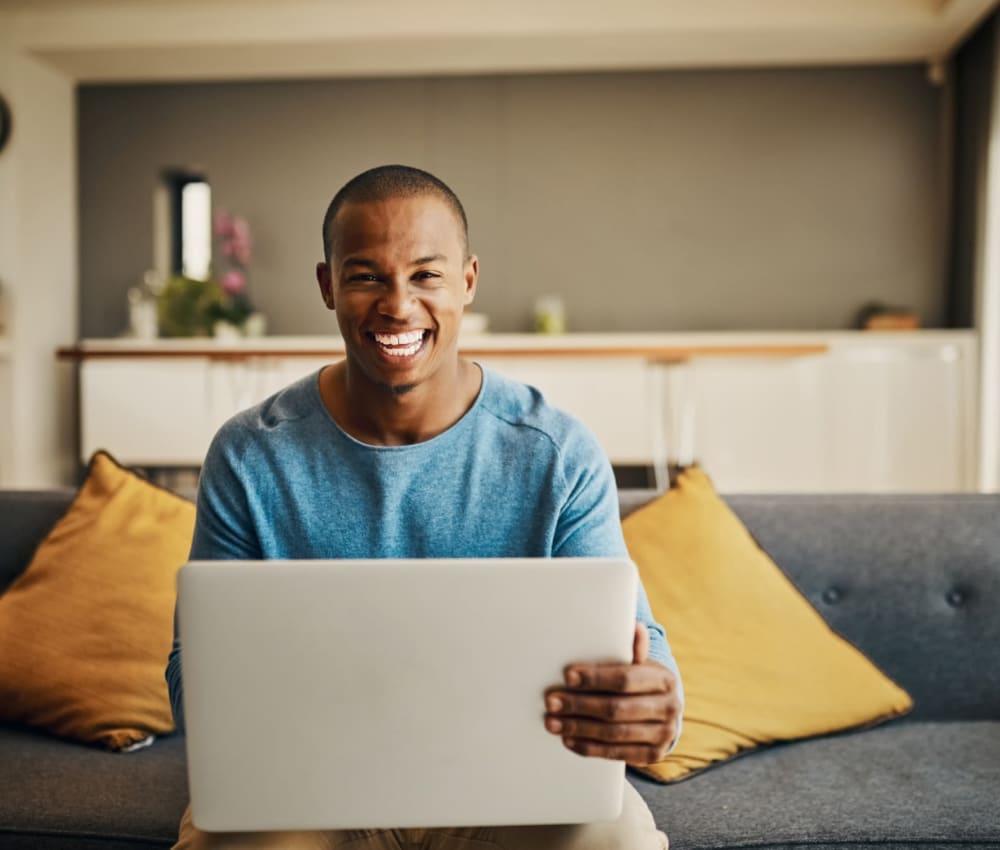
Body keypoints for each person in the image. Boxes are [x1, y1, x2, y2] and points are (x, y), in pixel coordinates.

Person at [166, 164, 683, 850]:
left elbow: (642, 648)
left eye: (425, 275)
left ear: (467, 281)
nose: (398, 305)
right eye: (366, 276)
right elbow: (191, 683)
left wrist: (656, 701)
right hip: (307, 792)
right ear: (327, 285)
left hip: (513, 791)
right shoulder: (250, 455)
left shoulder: (556, 452)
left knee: (617, 840)